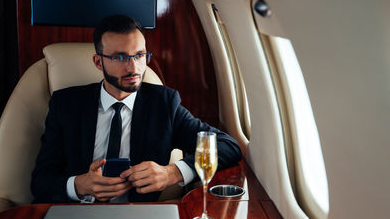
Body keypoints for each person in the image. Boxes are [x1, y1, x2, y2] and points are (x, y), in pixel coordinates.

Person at [31, 15, 242, 203]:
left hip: (140, 213)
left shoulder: (164, 104)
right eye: (120, 57)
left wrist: (173, 172)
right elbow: (40, 183)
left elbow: (227, 146)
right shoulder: (66, 104)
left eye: (140, 55)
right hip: (76, 214)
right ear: (98, 62)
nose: (134, 68)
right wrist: (79, 185)